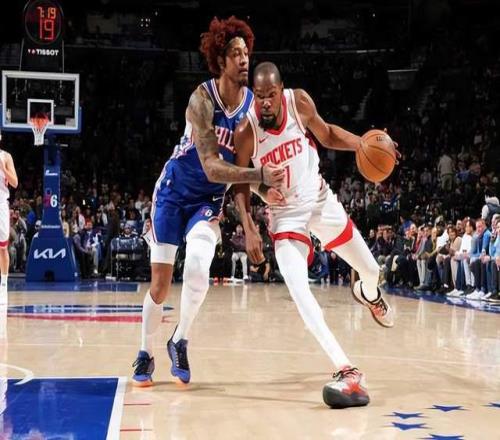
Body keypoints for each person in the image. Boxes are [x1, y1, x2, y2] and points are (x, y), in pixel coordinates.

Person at [132, 17, 284, 386]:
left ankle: (179, 339)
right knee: (160, 286)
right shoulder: (200, 101)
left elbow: (243, 171)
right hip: (173, 193)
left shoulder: (252, 109)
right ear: (220, 60)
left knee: (200, 266)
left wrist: (264, 200)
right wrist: (260, 176)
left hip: (207, 200)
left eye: (246, 52)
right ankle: (145, 352)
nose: (244, 60)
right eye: (236, 54)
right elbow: (214, 167)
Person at [233, 62, 395, 409]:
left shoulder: (299, 102)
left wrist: (363, 145)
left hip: (320, 201)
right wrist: (250, 223)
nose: (264, 102)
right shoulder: (246, 130)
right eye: (259, 96)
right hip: (286, 214)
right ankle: (347, 370)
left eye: (270, 95)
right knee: (299, 289)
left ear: (281, 91)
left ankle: (367, 293)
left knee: (371, 270)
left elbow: (328, 134)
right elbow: (240, 181)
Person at [0, 131, 18, 304]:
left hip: (1, 204)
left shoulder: (5, 157)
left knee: (2, 248)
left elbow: (15, 183)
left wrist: (3, 169)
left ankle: (3, 284)